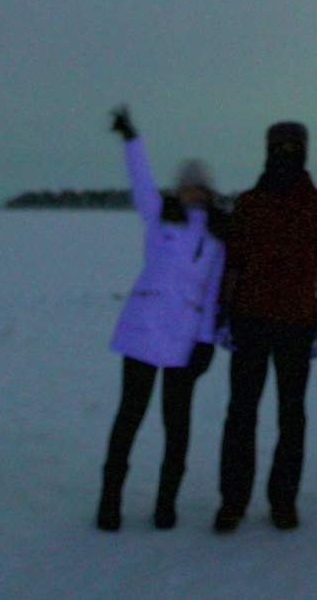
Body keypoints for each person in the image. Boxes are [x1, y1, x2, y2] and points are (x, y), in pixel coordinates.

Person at [96, 105, 227, 532]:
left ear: (209, 192)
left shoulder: (218, 238)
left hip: (184, 341)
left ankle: (165, 505)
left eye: (200, 188)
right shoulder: (159, 217)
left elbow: (212, 296)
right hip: (142, 330)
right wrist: (132, 139)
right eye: (187, 187)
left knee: (177, 428)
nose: (193, 193)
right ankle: (109, 502)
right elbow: (140, 180)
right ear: (179, 190)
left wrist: (206, 342)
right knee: (128, 418)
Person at [213, 120, 317, 533]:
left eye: (293, 146)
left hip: (297, 322)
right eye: (278, 146)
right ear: (267, 149)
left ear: (304, 150)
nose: (285, 152)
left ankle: (283, 501)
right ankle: (233, 501)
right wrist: (224, 312)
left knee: (291, 415)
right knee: (240, 414)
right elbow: (232, 260)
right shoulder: (249, 202)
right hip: (249, 318)